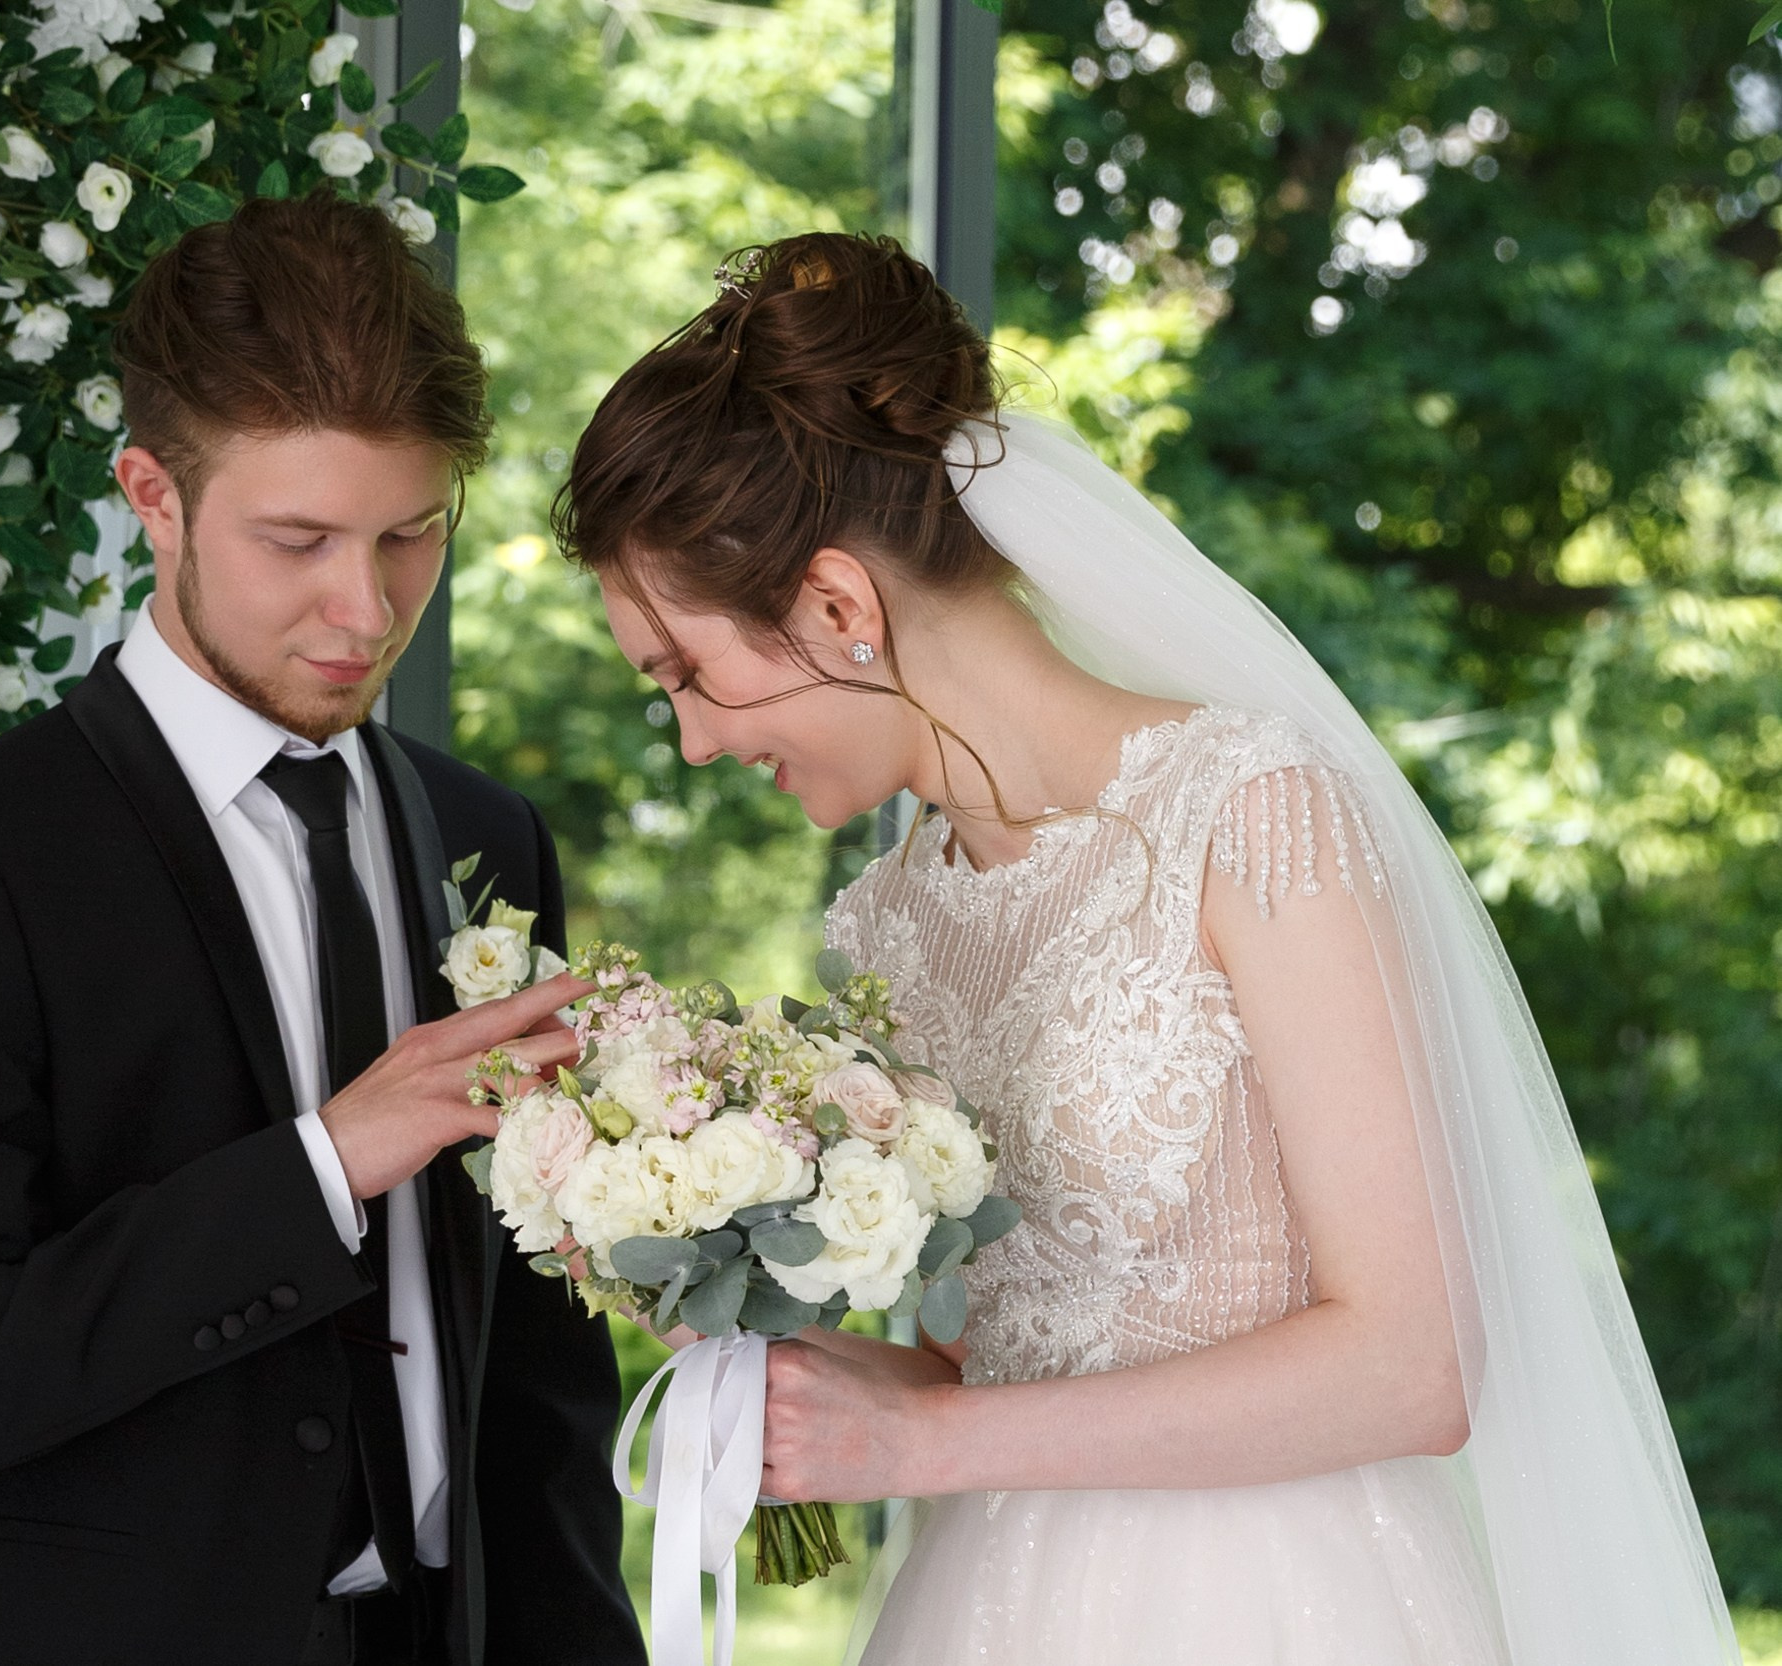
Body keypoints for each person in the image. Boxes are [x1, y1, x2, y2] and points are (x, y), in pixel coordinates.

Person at [555, 232, 1743, 1665]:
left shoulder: (1249, 817)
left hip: (1283, 1607)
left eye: (689, 672)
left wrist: (932, 1435)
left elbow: (1415, 1364)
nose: (692, 737)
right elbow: (997, 1353)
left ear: (837, 607)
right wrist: (803, 1385)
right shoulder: (889, 922)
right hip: (986, 1604)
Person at [0, 191, 644, 1666]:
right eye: (299, 539)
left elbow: (540, 1382)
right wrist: (328, 1163)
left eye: (412, 534)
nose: (365, 608)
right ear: (153, 491)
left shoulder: (491, 838)